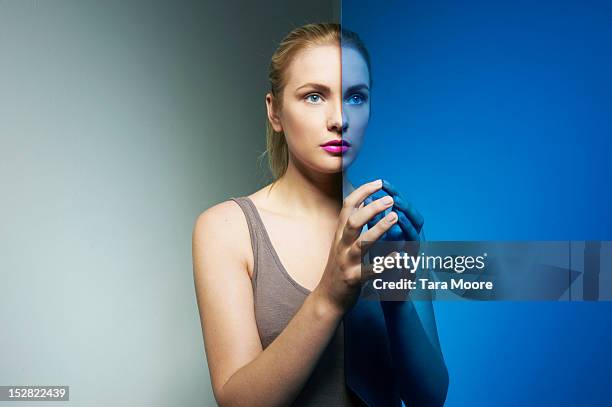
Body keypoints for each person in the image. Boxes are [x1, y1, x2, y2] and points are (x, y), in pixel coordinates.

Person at [192, 23, 449, 406]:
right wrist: (329, 298)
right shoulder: (227, 229)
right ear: (275, 111)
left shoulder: (392, 225)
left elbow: (429, 399)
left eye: (356, 97)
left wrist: (396, 299)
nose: (339, 119)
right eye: (314, 97)